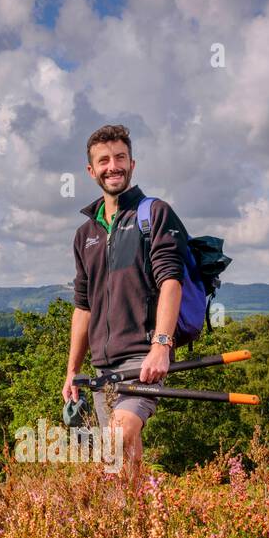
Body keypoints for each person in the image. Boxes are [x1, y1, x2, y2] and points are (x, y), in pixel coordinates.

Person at [63, 123, 192, 487]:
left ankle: (120, 528)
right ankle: (134, 531)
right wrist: (73, 369)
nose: (112, 166)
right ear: (91, 171)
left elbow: (171, 282)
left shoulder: (154, 215)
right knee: (125, 460)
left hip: (142, 358)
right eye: (103, 160)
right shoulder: (84, 235)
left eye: (120, 157)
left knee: (116, 441)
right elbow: (83, 306)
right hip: (102, 367)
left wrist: (161, 347)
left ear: (132, 164)